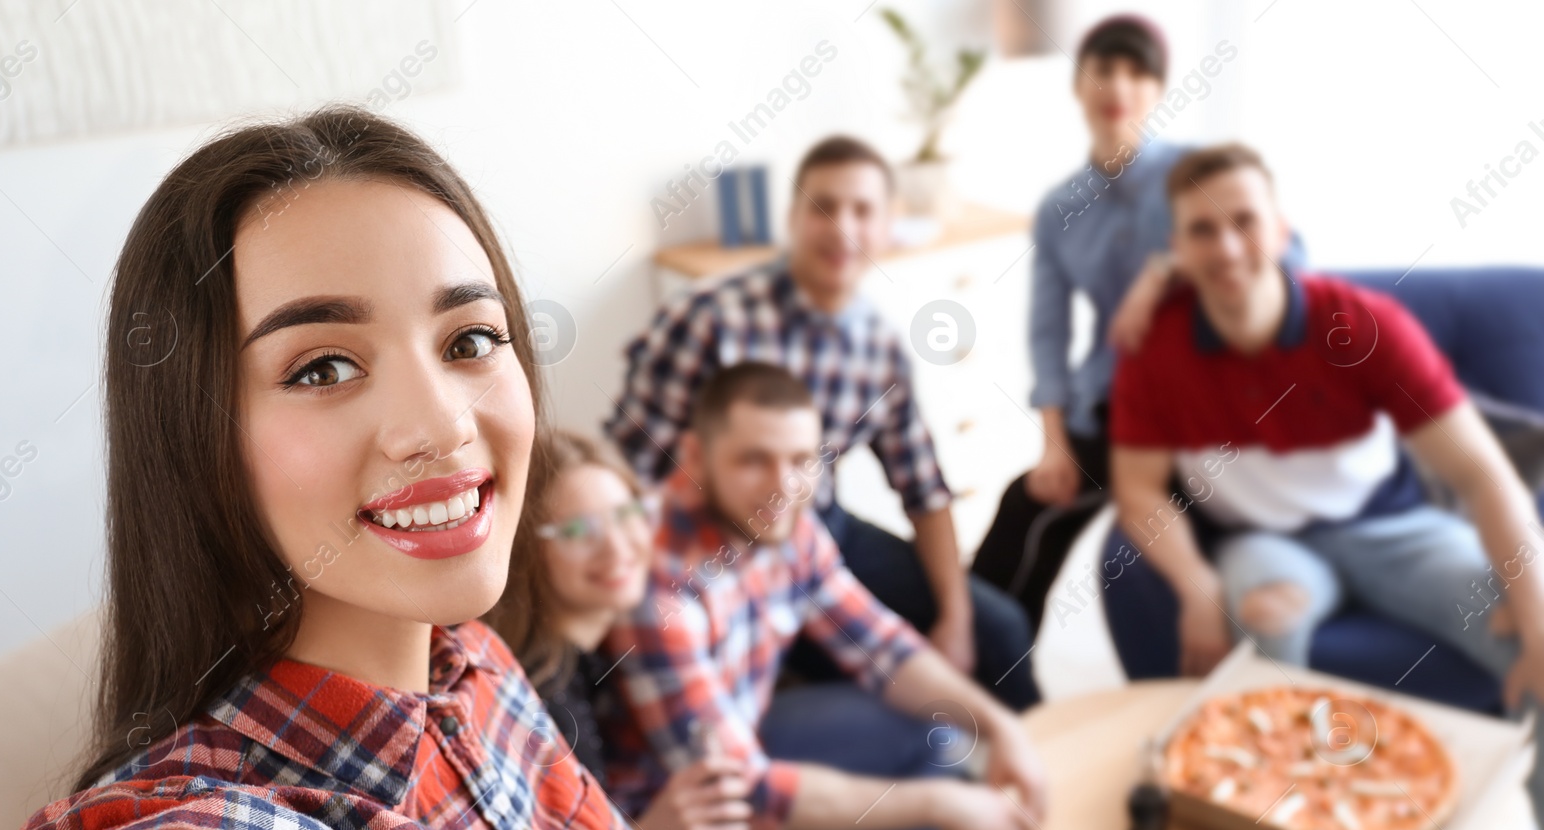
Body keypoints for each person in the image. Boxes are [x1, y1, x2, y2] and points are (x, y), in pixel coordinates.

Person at [0, 107, 673, 830]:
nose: (441, 423)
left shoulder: (476, 664)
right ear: (198, 445)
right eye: (323, 366)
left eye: (469, 340)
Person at [606, 362, 1050, 830]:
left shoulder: (788, 523)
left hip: (741, 738)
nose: (784, 485)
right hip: (667, 826)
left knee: (938, 731)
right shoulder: (657, 582)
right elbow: (745, 794)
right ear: (695, 456)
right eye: (754, 459)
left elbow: (885, 650)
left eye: (801, 460)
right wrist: (945, 802)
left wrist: (1000, 728)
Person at [486, 430, 894, 830]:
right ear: (522, 550)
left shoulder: (593, 648)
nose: (619, 545)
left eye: (626, 515)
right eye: (576, 532)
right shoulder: (537, 698)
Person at [1109, 142, 1544, 711]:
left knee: (1525, 628)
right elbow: (1137, 487)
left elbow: (1481, 473)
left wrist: (1537, 623)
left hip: (1395, 528)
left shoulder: (1360, 325)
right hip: (1264, 542)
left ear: (1283, 232)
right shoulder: (1153, 348)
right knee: (1266, 616)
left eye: (1245, 222)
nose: (1229, 247)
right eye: (1203, 230)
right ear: (1177, 250)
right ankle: (1278, 791)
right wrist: (1196, 583)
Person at [607, 135, 1038, 708]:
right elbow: (631, 471)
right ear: (792, 217)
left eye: (862, 210)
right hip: (712, 538)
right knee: (866, 698)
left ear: (889, 226)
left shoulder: (879, 347)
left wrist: (955, 621)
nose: (842, 228)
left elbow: (924, 488)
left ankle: (1044, 768)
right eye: (822, 206)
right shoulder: (708, 317)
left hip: (818, 529)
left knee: (999, 629)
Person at [971, 15, 1303, 632]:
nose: (1117, 85)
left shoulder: (1197, 177)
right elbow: (1048, 336)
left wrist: (1164, 270)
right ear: (1079, 85)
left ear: (1157, 88)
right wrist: (1054, 442)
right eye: (1102, 69)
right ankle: (985, 670)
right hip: (1112, 406)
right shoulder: (1060, 207)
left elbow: (1290, 256)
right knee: (1029, 506)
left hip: (1206, 409)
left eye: (1137, 71)